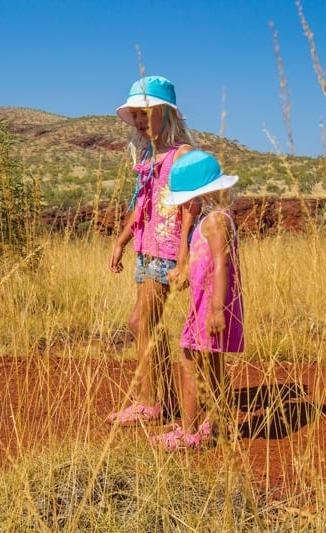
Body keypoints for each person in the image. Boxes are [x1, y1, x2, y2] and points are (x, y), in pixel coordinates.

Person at [106, 75, 200, 425]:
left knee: (141, 320)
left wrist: (185, 256)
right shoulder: (147, 155)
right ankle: (158, 398)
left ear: (167, 112)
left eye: (146, 111)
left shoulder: (182, 155)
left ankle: (151, 401)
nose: (140, 119)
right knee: (147, 322)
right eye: (135, 114)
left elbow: (192, 206)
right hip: (145, 251)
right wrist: (121, 241)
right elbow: (142, 204)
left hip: (168, 252)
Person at [151, 150, 244, 450]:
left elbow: (222, 264)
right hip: (208, 303)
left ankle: (189, 432)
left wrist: (217, 309)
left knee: (190, 360)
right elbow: (204, 264)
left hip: (210, 307)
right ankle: (216, 422)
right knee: (213, 363)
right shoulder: (213, 219)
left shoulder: (216, 222)